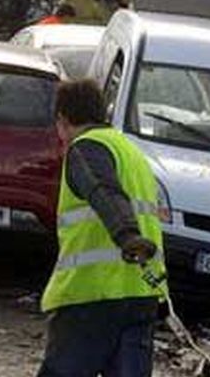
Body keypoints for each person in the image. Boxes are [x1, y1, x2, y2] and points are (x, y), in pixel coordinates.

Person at [37, 80, 167, 377]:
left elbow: (103, 191)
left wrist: (127, 235)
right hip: (142, 294)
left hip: (92, 297)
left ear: (62, 119)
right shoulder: (131, 153)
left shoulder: (85, 149)